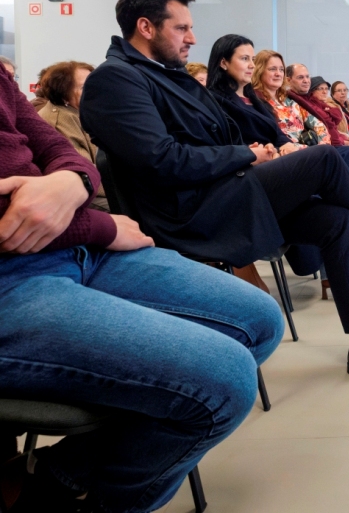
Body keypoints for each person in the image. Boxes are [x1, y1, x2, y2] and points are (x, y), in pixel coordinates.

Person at [80, 0, 349, 379]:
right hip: (190, 212)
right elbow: (161, 160)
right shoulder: (115, 81)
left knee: (335, 220)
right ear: (145, 27)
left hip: (224, 192)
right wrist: (247, 154)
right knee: (325, 158)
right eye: (181, 28)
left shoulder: (167, 75)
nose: (193, 38)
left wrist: (256, 152)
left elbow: (214, 136)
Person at [0, 63, 284, 513]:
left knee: (261, 321)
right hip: (15, 274)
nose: (190, 38)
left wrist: (70, 182)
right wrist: (96, 223)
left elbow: (58, 148)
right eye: (182, 27)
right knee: (226, 379)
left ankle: (60, 476)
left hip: (78, 248)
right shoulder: (124, 80)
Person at [208, 36, 349, 236]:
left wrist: (297, 143)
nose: (251, 65)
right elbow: (251, 142)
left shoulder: (275, 99)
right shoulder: (237, 101)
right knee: (334, 159)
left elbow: (312, 126)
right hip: (267, 166)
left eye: (280, 69)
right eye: (272, 69)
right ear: (224, 63)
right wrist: (290, 146)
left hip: (296, 151)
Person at [252, 52, 349, 218]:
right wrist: (314, 147)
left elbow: (318, 124)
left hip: (315, 148)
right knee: (341, 161)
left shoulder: (287, 99)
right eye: (272, 69)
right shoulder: (256, 100)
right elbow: (275, 137)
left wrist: (323, 144)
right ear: (260, 70)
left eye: (280, 69)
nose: (278, 73)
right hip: (291, 153)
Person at [30, 61, 109, 211]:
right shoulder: (58, 122)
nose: (95, 89)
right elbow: (83, 175)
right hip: (84, 195)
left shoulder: (82, 112)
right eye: (84, 86)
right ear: (63, 93)